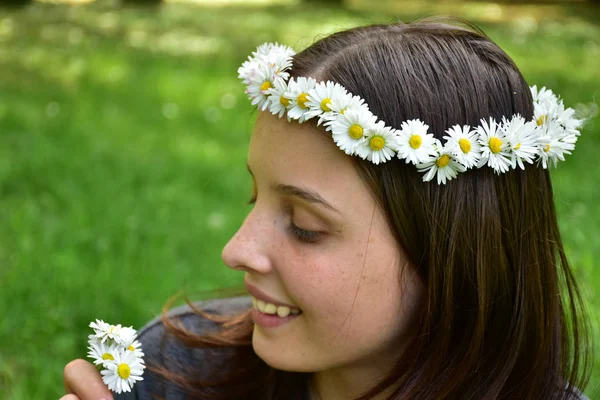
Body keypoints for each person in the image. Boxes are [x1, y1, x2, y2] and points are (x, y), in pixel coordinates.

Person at [61, 18, 592, 400]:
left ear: (454, 255)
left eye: (305, 227)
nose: (236, 250)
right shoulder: (168, 372)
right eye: (254, 196)